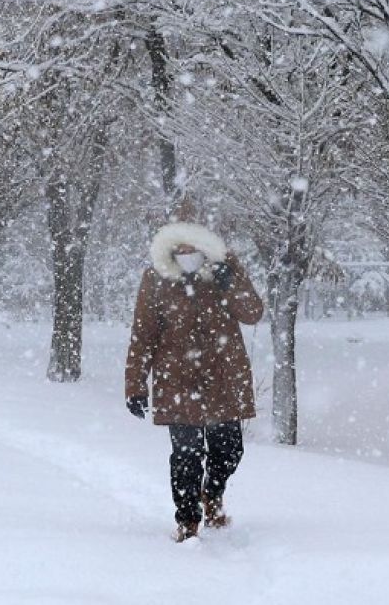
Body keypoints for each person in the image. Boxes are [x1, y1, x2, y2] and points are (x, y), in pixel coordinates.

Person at [125, 221, 264, 542]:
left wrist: (231, 280)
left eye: (194, 248)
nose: (188, 254)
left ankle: (212, 495)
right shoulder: (156, 279)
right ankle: (188, 520)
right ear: (171, 250)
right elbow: (143, 336)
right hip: (177, 381)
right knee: (186, 455)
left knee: (229, 451)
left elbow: (253, 313)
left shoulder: (224, 273)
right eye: (181, 248)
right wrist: (135, 385)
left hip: (223, 379)